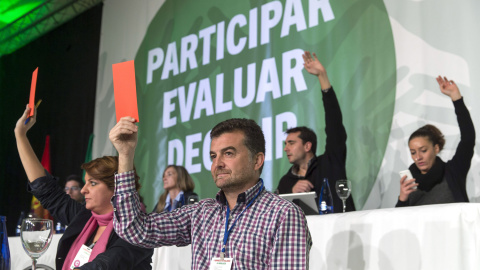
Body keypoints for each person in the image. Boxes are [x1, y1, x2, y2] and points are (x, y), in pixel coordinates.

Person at [110, 117, 312, 269]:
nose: (218, 164)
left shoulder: (284, 214)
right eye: (213, 156)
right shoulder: (202, 212)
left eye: (229, 153)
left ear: (257, 160)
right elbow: (135, 229)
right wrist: (126, 154)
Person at [14, 105, 153, 270]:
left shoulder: (140, 229)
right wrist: (20, 135)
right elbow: (45, 189)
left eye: (93, 183)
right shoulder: (85, 218)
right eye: (86, 182)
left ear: (118, 188)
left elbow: (105, 265)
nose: (83, 190)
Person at [276, 51, 355, 213]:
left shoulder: (331, 162)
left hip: (341, 232)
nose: (286, 148)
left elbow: (334, 125)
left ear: (307, 146)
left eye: (291, 143)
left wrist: (322, 77)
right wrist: (291, 193)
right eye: (285, 144)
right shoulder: (285, 182)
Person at [396, 76, 475, 207]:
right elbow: (399, 221)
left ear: (436, 148)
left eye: (423, 150)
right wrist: (402, 199)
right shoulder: (410, 182)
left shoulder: (453, 171)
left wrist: (456, 97)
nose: (418, 157)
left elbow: (468, 138)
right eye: (413, 152)